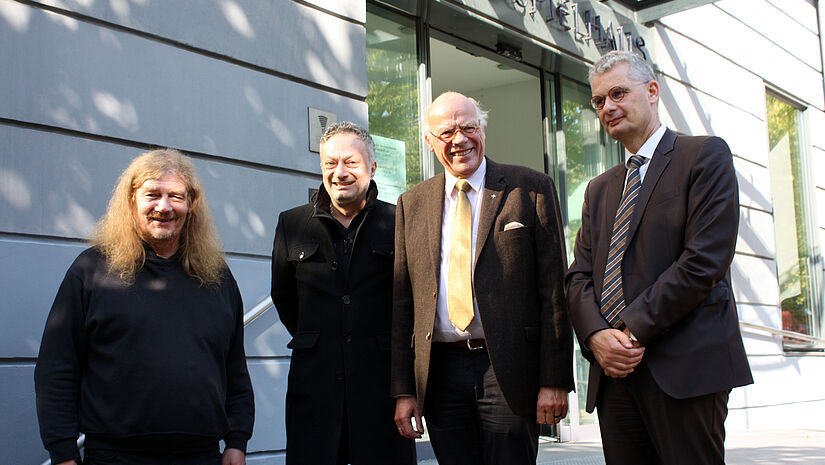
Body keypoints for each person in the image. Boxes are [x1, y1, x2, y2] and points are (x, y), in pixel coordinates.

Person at [565, 50, 753, 464]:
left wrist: (629, 331)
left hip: (683, 370)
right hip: (615, 376)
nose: (608, 107)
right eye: (598, 101)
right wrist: (597, 337)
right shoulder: (598, 189)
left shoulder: (703, 156)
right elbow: (578, 277)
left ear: (652, 91)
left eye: (618, 93)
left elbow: (704, 260)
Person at [34, 149, 254, 465]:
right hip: (115, 457)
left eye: (176, 196)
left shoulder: (216, 277)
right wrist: (63, 452)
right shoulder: (92, 271)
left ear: (191, 204)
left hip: (202, 457)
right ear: (132, 200)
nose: (164, 207)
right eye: (153, 194)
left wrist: (237, 441)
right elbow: (57, 369)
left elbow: (235, 371)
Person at [392, 91, 573, 464]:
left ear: (482, 130)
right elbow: (402, 302)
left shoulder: (530, 189)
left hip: (507, 368)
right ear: (428, 142)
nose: (459, 140)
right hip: (440, 373)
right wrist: (404, 390)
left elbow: (554, 290)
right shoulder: (412, 204)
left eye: (469, 127)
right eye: (446, 133)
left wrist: (554, 379)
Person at [271, 122, 415, 465]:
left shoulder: (399, 223)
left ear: (372, 167)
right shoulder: (292, 224)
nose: (340, 173)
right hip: (315, 387)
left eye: (351, 163)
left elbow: (410, 304)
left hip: (382, 390)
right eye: (330, 163)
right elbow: (284, 297)